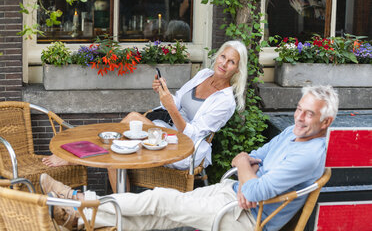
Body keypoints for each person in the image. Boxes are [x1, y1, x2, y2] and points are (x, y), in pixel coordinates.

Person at [40, 85, 339, 231]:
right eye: (299, 109)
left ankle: (77, 202)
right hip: (234, 197)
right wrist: (245, 168)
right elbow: (251, 156)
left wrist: (247, 174)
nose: (299, 117)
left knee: (160, 202)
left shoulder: (308, 155)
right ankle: (80, 216)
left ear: (325, 122)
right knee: (158, 212)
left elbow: (254, 189)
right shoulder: (293, 134)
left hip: (247, 218)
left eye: (309, 113)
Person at [42, 40, 248, 191]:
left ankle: (80, 158)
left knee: (126, 131)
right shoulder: (204, 74)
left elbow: (192, 135)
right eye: (223, 56)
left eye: (231, 62)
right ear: (218, 55)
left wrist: (172, 108)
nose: (224, 63)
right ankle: (123, 202)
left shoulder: (226, 101)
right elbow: (175, 102)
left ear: (237, 69)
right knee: (126, 130)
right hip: (166, 130)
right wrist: (163, 91)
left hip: (186, 147)